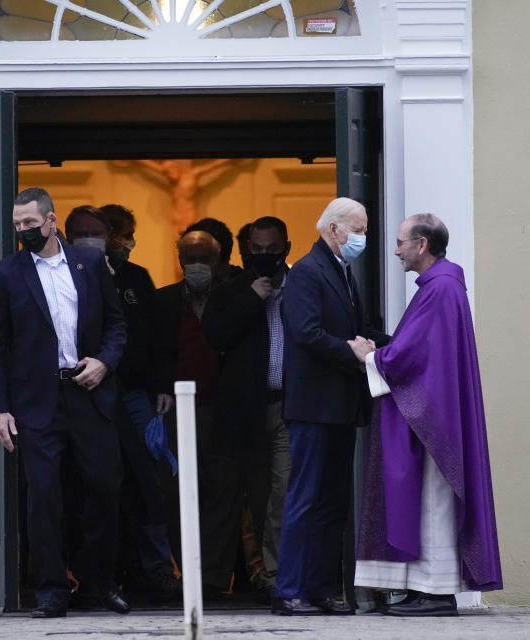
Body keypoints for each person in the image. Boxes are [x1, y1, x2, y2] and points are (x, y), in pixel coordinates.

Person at [0, 187, 129, 618]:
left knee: (104, 487)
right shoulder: (6, 274)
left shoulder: (87, 266)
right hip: (35, 402)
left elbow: (117, 326)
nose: (24, 231)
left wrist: (104, 361)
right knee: (44, 496)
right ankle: (51, 588)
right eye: (18, 225)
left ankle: (99, 583)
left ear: (51, 220)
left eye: (30, 223)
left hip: (88, 395)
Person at [354, 214, 503, 616]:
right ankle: (425, 589)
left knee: (435, 501)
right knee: (428, 500)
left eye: (401, 242)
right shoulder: (443, 287)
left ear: (422, 245)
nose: (397, 249)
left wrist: (372, 357)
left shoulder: (439, 289)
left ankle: (436, 592)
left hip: (434, 422)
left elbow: (413, 355)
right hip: (439, 413)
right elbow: (421, 346)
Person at [272, 197, 385, 616]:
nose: (363, 237)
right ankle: (289, 591)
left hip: (339, 407)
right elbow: (306, 333)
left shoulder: (341, 271)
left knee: (333, 502)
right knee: (305, 499)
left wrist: (396, 344)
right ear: (334, 230)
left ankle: (320, 589)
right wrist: (352, 352)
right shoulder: (306, 271)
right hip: (313, 407)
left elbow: (362, 330)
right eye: (358, 228)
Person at [205, 216, 292, 602]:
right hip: (251, 412)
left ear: (286, 248)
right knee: (258, 497)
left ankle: (278, 575)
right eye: (256, 250)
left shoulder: (303, 284)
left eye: (272, 250)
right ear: (245, 250)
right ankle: (255, 573)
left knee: (283, 492)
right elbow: (216, 335)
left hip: (291, 406)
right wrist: (251, 299)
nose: (265, 256)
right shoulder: (232, 289)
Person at [97, 203, 181, 604]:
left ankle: (157, 569)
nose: (130, 242)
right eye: (124, 233)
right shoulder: (75, 276)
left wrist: (161, 384)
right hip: (91, 395)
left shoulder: (136, 278)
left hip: (136, 395)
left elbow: (157, 336)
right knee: (100, 480)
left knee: (150, 479)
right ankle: (103, 573)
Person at [153, 231, 242, 599]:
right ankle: (186, 569)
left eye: (203, 258)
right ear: (179, 260)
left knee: (225, 492)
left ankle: (215, 577)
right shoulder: (162, 301)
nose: (196, 266)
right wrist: (159, 387)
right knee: (175, 491)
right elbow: (152, 348)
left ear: (218, 260)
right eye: (189, 258)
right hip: (176, 408)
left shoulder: (233, 298)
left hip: (224, 410)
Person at [183, 217, 242, 281]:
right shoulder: (176, 290)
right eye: (190, 260)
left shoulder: (247, 287)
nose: (196, 268)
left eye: (205, 259)